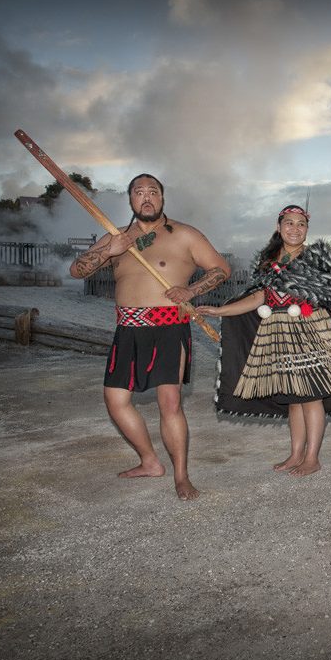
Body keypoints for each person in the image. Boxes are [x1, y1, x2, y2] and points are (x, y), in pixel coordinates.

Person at [69, 173, 231, 500]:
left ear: (162, 198)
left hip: (170, 327)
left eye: (153, 192)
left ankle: (182, 476)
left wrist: (192, 289)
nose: (146, 197)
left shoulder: (184, 234)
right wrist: (108, 251)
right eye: (139, 192)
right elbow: (77, 270)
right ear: (130, 200)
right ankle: (149, 462)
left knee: (169, 403)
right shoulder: (116, 237)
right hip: (127, 328)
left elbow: (220, 269)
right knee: (116, 402)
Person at [197, 205, 331, 476]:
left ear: (307, 229)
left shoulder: (316, 259)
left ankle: (312, 457)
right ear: (279, 227)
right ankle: (295, 454)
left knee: (310, 395)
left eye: (301, 224)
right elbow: (258, 298)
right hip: (276, 332)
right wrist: (220, 310)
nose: (295, 229)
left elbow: (330, 296)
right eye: (289, 223)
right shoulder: (267, 261)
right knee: (294, 398)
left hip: (310, 330)